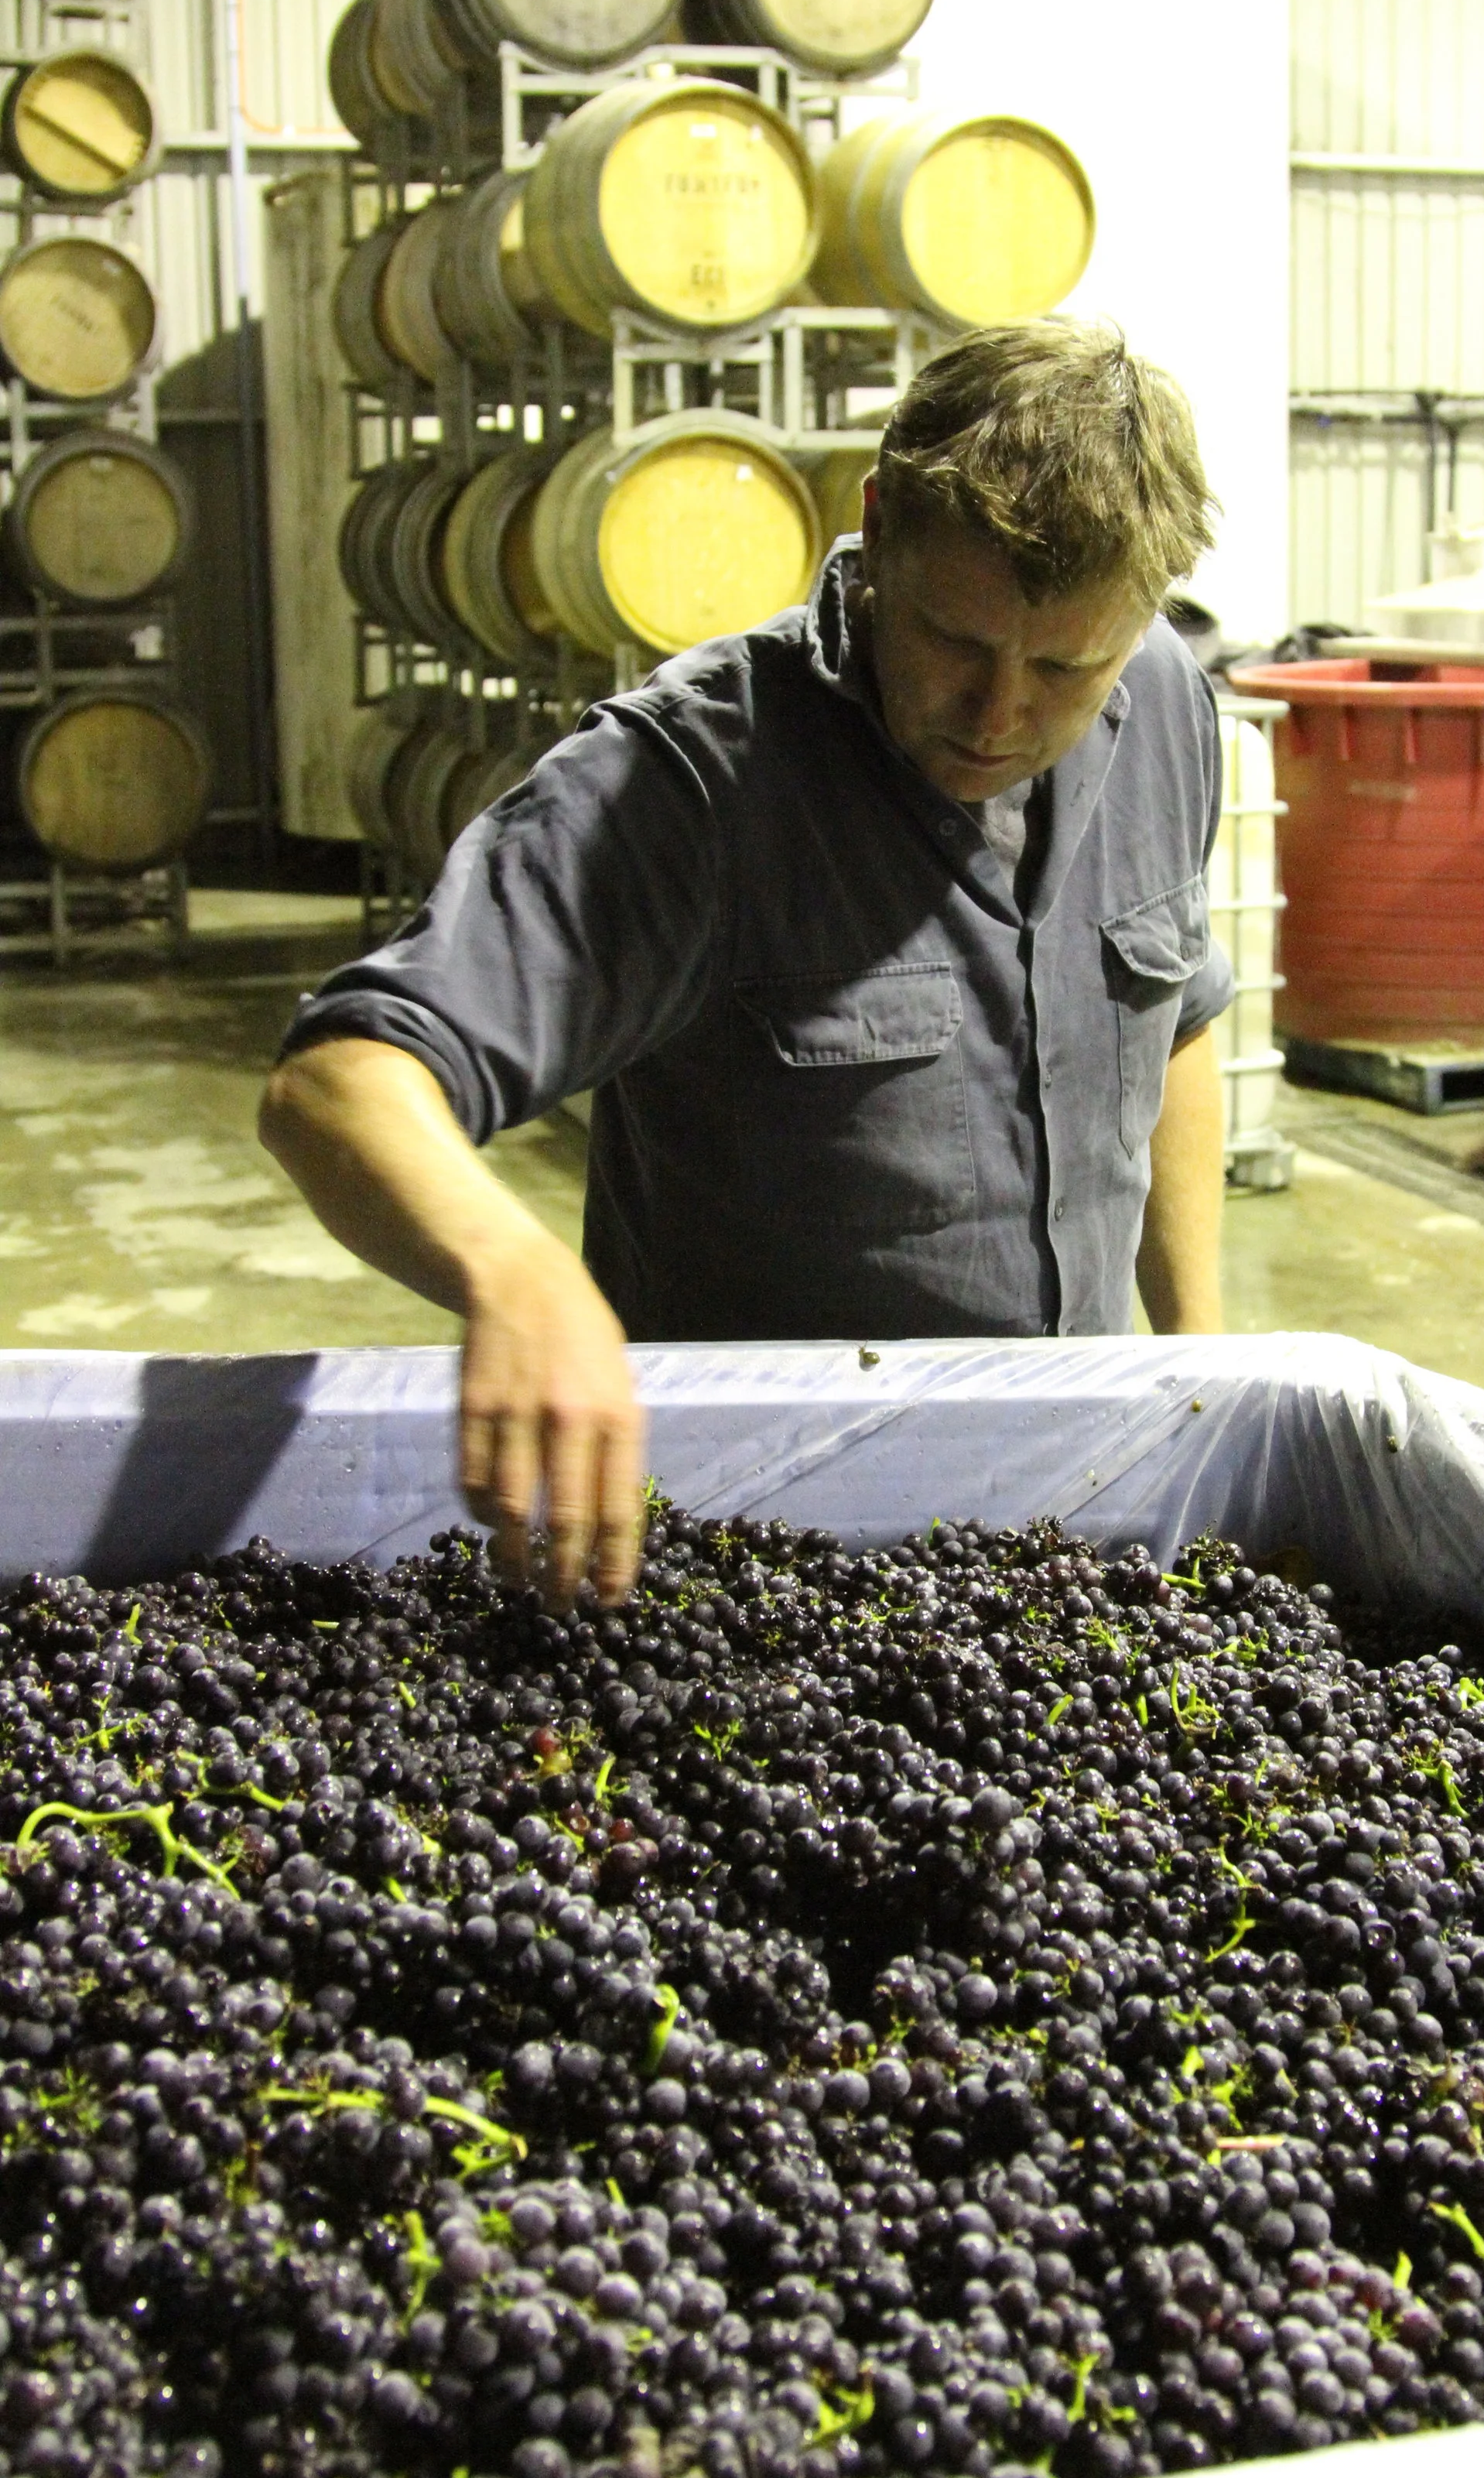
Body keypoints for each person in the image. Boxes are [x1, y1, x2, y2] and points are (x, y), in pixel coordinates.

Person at [261, 320, 1233, 1610]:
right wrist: (516, 1270)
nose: (999, 713)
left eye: (1064, 665)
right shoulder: (690, 784)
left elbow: (1173, 1026)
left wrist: (1211, 1363)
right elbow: (340, 1081)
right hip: (758, 1555)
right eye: (954, 639)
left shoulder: (1165, 700)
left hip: (1071, 1526)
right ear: (877, 526)